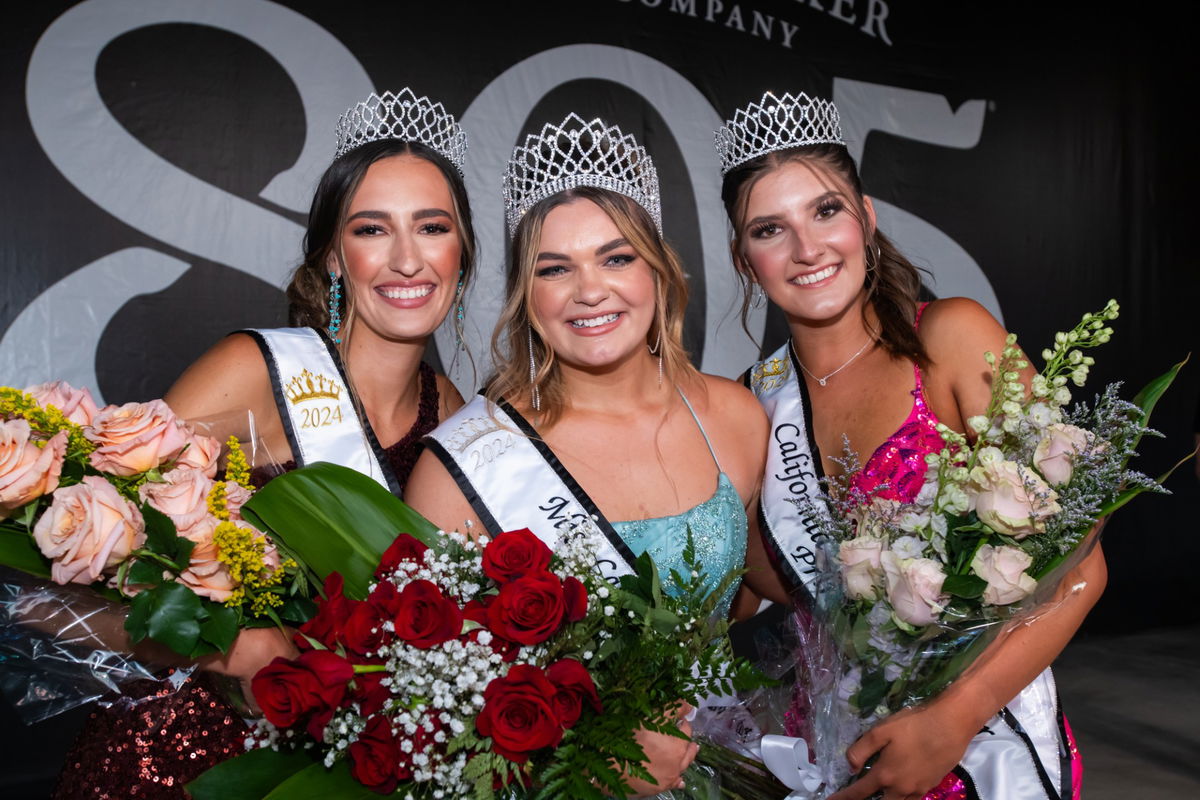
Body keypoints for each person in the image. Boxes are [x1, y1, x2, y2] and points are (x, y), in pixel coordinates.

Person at [52, 88, 476, 799]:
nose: (408, 259)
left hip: (332, 768)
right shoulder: (254, 371)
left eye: (431, 226)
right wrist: (218, 642)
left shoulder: (452, 410)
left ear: (461, 251)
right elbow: (65, 572)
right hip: (182, 757)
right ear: (334, 260)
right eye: (372, 230)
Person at [716, 92, 1104, 800]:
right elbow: (747, 599)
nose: (807, 249)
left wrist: (955, 716)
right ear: (745, 260)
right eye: (770, 229)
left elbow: (1081, 566)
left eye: (826, 211)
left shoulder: (952, 339)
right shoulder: (752, 405)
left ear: (865, 218)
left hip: (982, 747)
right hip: (828, 755)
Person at [404, 113, 769, 796]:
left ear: (658, 270)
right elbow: (433, 715)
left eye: (616, 257)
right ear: (526, 295)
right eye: (555, 269)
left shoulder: (733, 418)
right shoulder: (462, 467)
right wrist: (592, 754)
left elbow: (741, 608)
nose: (589, 290)